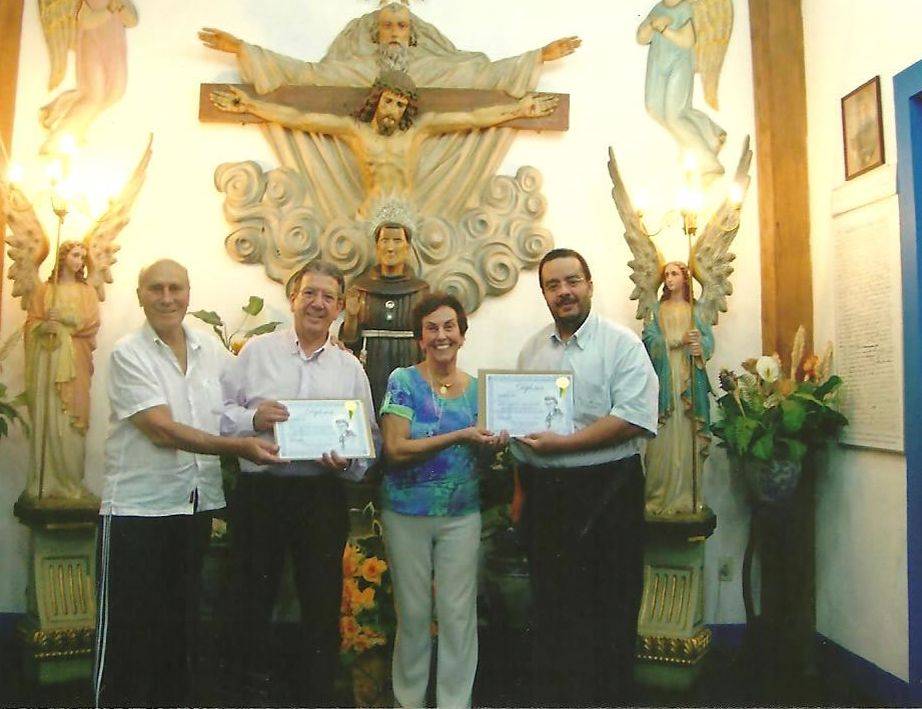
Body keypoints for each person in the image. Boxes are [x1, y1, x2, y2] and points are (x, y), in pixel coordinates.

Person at [93, 259, 282, 707]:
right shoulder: (128, 353)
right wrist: (237, 447)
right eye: (155, 288)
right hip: (136, 513)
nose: (166, 298)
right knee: (128, 640)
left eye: (175, 288)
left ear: (188, 294)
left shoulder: (208, 349)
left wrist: (324, 351)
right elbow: (161, 430)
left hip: (192, 509)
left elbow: (246, 392)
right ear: (140, 295)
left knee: (178, 636)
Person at [221, 260, 380, 707]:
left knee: (321, 601)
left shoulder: (349, 369)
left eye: (328, 297)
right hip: (262, 492)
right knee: (250, 596)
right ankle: (246, 694)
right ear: (293, 298)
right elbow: (218, 412)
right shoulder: (256, 352)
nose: (317, 303)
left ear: (340, 308)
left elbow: (368, 439)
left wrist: (348, 461)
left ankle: (315, 695)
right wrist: (253, 419)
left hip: (320, 495)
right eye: (309, 293)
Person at [514, 248, 659, 707]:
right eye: (553, 285)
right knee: (553, 612)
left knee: (611, 612)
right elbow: (520, 423)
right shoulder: (532, 350)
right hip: (546, 496)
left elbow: (634, 418)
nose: (564, 292)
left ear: (590, 285)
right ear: (544, 294)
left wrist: (564, 445)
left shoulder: (622, 345)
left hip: (608, 492)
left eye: (572, 281)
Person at [379, 293, 508, 708]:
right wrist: (462, 435)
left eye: (449, 326)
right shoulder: (403, 381)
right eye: (431, 328)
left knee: (458, 616)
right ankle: (408, 701)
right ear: (420, 339)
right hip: (406, 513)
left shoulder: (479, 391)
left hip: (461, 515)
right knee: (414, 614)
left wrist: (493, 446)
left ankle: (455, 702)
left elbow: (479, 459)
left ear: (462, 335)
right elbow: (395, 449)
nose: (441, 335)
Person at [210, 69, 558, 200]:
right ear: (376, 100)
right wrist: (252, 105)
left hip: (406, 215)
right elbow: (300, 118)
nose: (394, 109)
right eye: (389, 101)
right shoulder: (355, 131)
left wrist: (517, 110)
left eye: (401, 104)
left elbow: (471, 117)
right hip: (369, 214)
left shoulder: (417, 131)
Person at [199, 2, 579, 98]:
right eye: (387, 26)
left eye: (401, 26)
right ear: (376, 34)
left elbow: (483, 74)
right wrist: (244, 50)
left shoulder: (433, 68)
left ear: (412, 35)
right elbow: (306, 75)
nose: (394, 33)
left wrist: (539, 56)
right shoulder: (357, 68)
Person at [40, 0, 138, 155]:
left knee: (115, 91)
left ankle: (70, 120)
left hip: (114, 48)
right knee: (94, 95)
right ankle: (56, 141)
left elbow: (132, 21)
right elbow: (85, 21)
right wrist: (109, 10)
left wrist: (121, 9)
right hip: (93, 47)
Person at [22, 240, 100, 503]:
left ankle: (70, 482)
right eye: (76, 255)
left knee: (72, 421)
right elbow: (31, 323)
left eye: (83, 257)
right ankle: (45, 482)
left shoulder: (87, 292)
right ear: (63, 256)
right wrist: (41, 328)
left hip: (75, 364)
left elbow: (92, 323)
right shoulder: (45, 290)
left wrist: (67, 320)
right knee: (48, 415)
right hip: (49, 362)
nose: (80, 261)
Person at [636, 0, 726, 179]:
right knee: (654, 108)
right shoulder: (658, 9)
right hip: (658, 64)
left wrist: (664, 29)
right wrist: (650, 26)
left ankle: (709, 163)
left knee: (675, 115)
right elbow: (642, 38)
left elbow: (687, 41)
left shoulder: (684, 8)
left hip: (678, 64)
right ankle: (711, 134)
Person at [641, 261, 714, 516]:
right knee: (661, 440)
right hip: (664, 378)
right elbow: (648, 340)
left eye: (674, 274)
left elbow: (708, 340)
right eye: (666, 275)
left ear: (685, 278)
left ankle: (688, 497)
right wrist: (675, 340)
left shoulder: (695, 310)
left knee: (688, 435)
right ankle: (658, 497)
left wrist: (699, 345)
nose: (669, 279)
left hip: (689, 379)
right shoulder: (656, 310)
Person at [340, 222, 430, 410]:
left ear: (407, 247)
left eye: (397, 241)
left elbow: (427, 339)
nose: (390, 248)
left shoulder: (420, 290)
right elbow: (349, 343)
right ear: (376, 246)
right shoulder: (360, 288)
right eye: (385, 241)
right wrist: (351, 317)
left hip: (408, 364)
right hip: (371, 367)